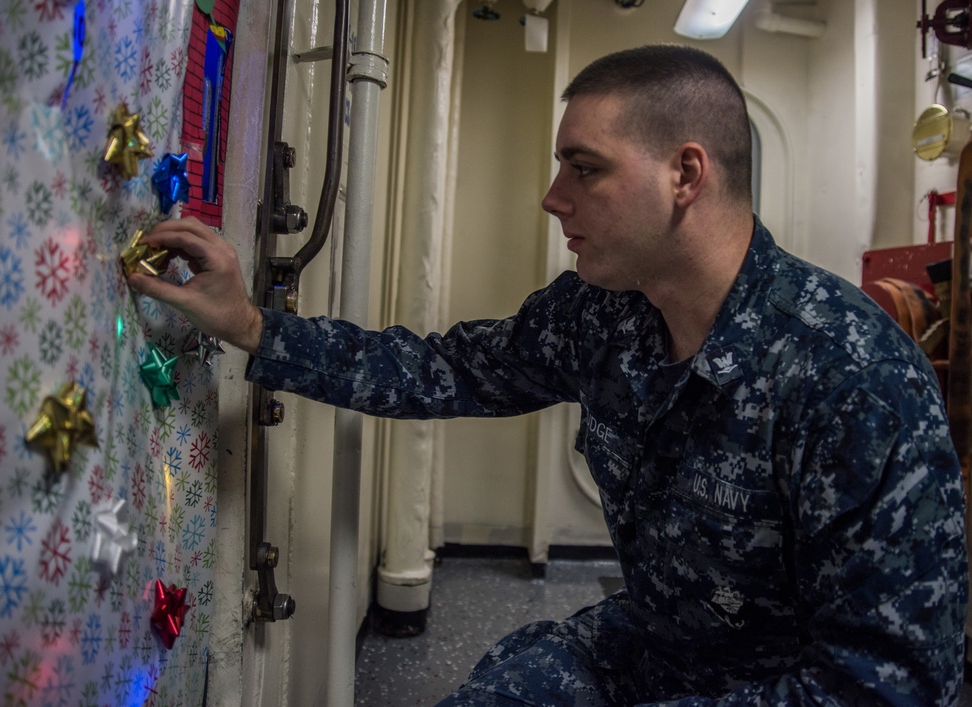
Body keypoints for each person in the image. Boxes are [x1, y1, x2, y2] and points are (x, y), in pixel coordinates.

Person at [128, 45, 968, 705]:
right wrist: (251, 325)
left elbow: (885, 684)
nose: (553, 197)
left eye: (585, 167)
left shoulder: (850, 377)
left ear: (686, 174)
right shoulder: (602, 312)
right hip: (657, 646)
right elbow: (444, 368)